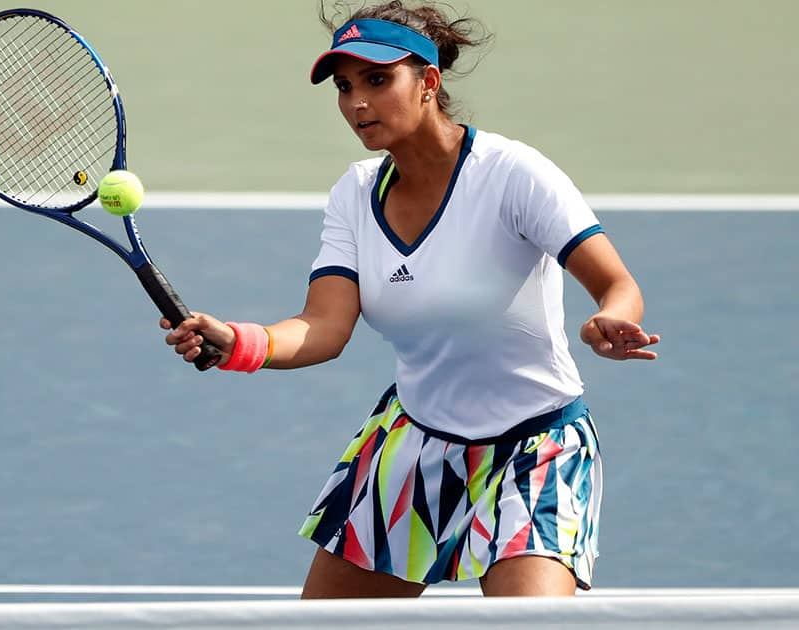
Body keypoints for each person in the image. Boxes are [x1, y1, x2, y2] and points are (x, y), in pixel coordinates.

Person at [161, 0, 660, 598]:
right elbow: (323, 325)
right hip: (417, 446)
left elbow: (617, 285)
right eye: (344, 87)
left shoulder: (512, 174)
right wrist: (242, 342)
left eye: (377, 79)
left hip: (536, 449)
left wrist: (611, 319)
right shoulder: (354, 193)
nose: (357, 103)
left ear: (428, 82)